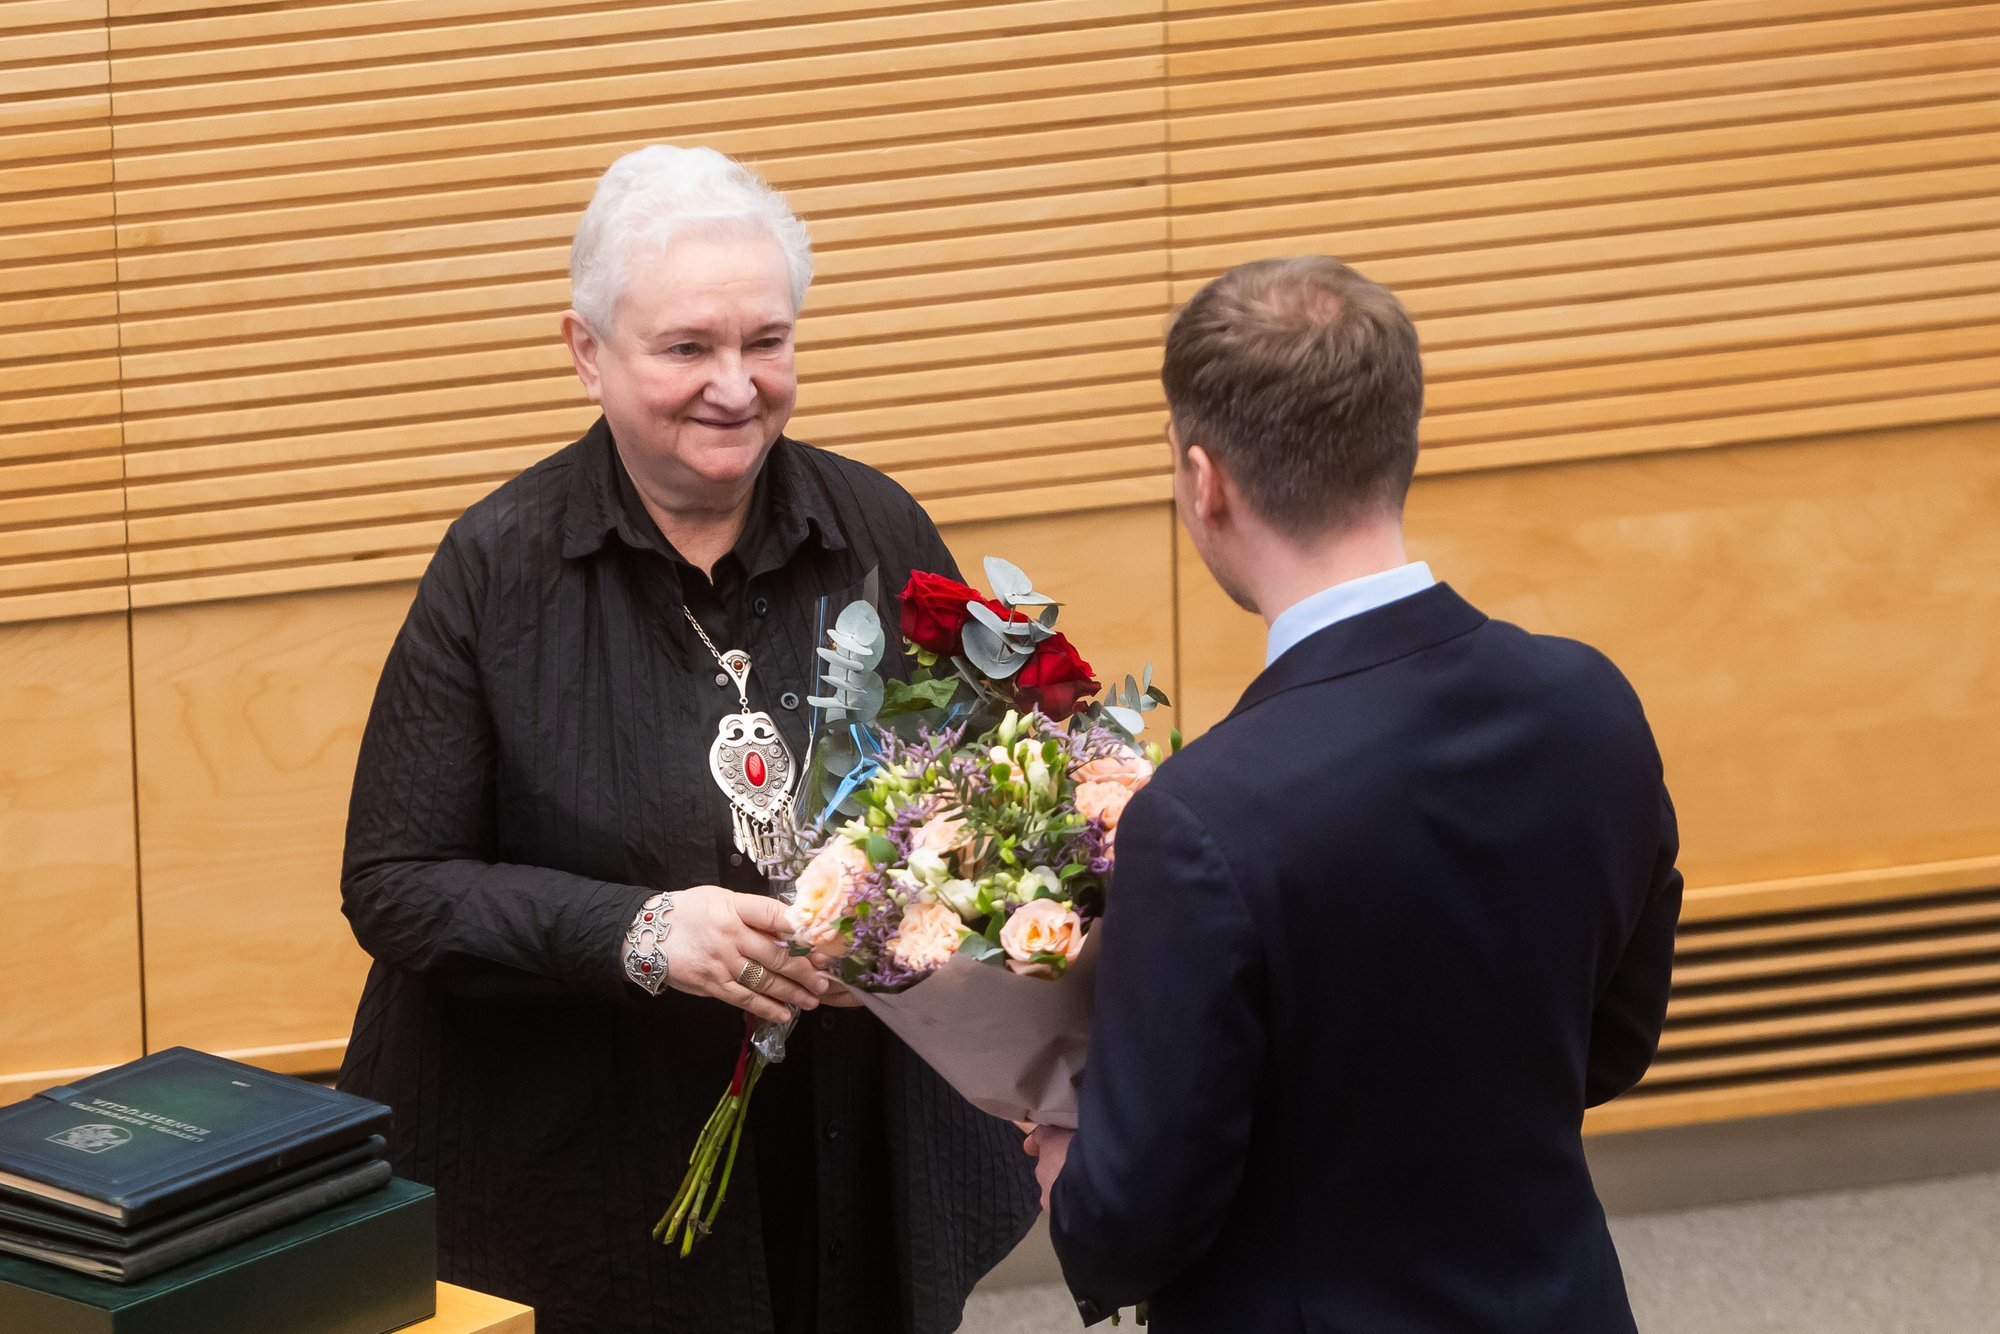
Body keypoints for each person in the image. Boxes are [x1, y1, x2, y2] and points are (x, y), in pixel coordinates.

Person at [336, 145, 1037, 1334]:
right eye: (687, 348)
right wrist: (642, 930)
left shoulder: (874, 522)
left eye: (767, 341)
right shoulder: (496, 567)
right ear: (585, 351)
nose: (737, 384)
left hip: (845, 1147)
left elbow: (985, 790)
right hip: (585, 1166)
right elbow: (395, 885)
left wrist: (907, 906)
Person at [1027, 256, 1682, 1331]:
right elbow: (1610, 1042)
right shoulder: (1590, 702)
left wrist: (1070, 1166)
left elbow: (1131, 1220)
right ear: (1399, 441)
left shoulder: (1200, 818)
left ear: (1206, 480)